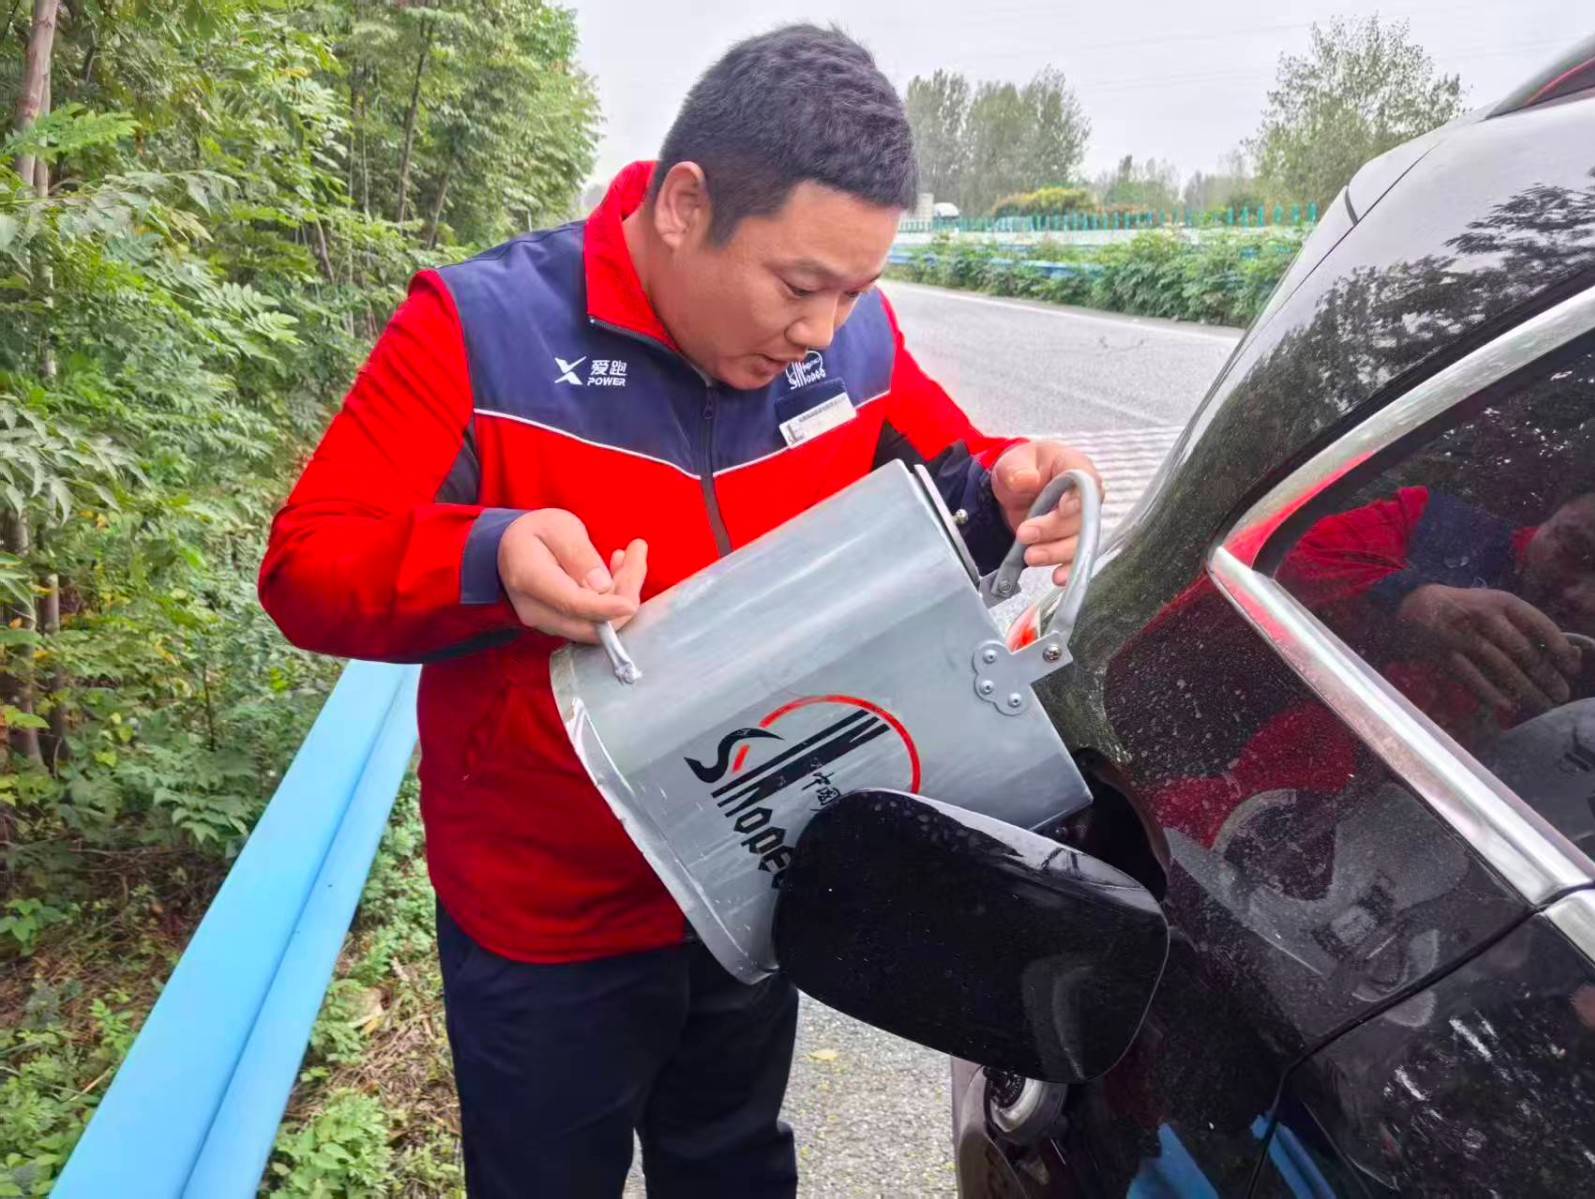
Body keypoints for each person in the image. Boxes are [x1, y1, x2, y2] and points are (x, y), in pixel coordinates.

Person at [259, 24, 1099, 1199]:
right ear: (684, 204)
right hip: (547, 918)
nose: (821, 329)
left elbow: (945, 477)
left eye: (856, 289)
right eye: (798, 286)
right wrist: (489, 555)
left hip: (754, 877)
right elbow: (306, 564)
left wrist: (1010, 490)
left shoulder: (849, 344)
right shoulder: (479, 333)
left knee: (733, 1162)